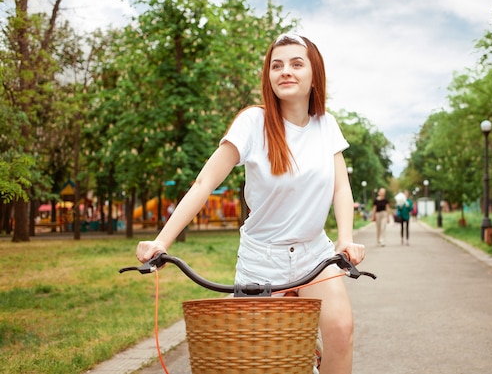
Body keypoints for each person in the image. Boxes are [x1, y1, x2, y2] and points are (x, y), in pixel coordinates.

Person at [135, 33, 365, 374]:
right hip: (263, 257)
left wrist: (345, 239)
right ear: (268, 76)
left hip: (315, 253)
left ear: (314, 75)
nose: (285, 71)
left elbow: (341, 188)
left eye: (296, 64)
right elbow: (203, 183)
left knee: (341, 330)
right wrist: (161, 241)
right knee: (256, 355)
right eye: (277, 65)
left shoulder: (325, 125)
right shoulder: (253, 123)